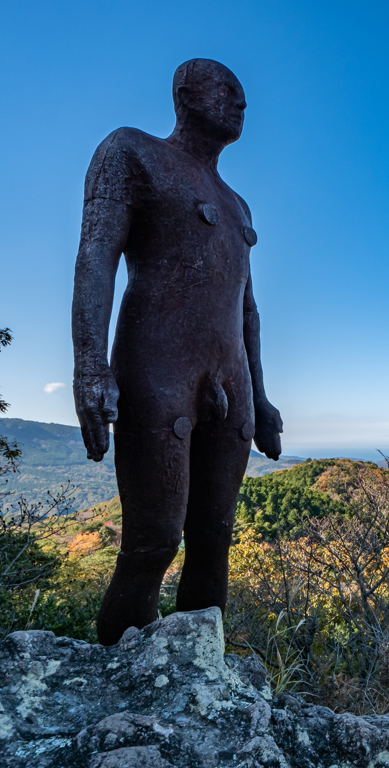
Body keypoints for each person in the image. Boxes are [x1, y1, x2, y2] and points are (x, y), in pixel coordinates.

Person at [72, 59, 283, 645]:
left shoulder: (237, 205)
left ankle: (199, 675)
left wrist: (261, 398)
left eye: (245, 96)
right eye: (229, 91)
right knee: (154, 539)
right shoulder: (132, 153)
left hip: (230, 377)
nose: (242, 103)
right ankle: (118, 675)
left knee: (214, 538)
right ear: (186, 95)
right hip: (155, 365)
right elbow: (96, 257)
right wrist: (90, 363)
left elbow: (246, 307)